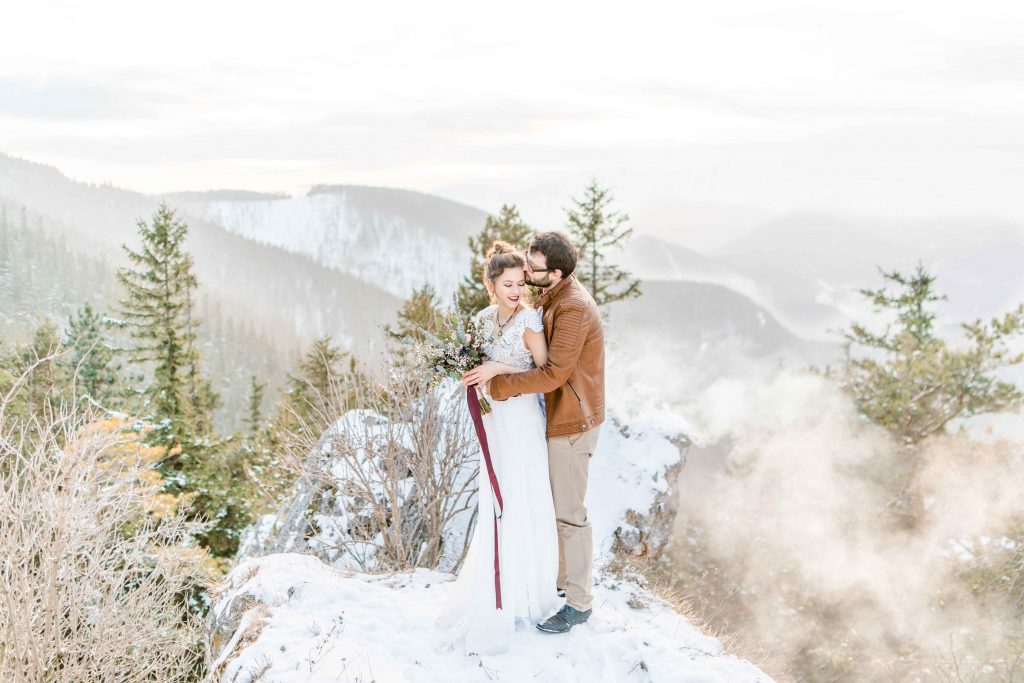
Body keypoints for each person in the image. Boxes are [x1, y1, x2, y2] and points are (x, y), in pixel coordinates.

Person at [462, 231, 605, 634]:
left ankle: (578, 603)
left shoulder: (572, 306)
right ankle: (553, 582)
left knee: (568, 513)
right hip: (549, 418)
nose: (526, 272)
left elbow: (554, 373)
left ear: (554, 272)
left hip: (572, 421)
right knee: (544, 503)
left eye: (532, 268)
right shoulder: (552, 295)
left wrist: (497, 383)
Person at [437, 241, 561, 652]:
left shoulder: (530, 320)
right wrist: (470, 372)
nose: (515, 290)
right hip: (493, 419)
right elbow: (475, 361)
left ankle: (528, 592)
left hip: (522, 419)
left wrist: (499, 368)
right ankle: (494, 583)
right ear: (491, 284)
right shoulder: (483, 317)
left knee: (522, 495)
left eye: (520, 283)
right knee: (495, 500)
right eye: (507, 283)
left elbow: (543, 370)